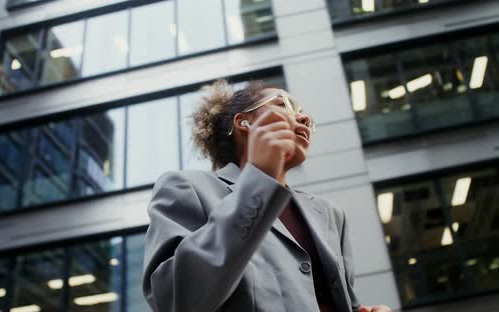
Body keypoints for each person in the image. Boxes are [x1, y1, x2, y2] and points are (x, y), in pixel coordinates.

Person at [142, 80, 392, 312]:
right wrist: (262, 178)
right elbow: (175, 299)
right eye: (283, 105)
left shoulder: (329, 214)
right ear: (244, 123)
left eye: (302, 112)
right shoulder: (187, 187)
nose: (303, 118)